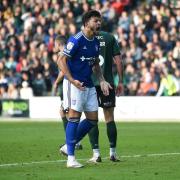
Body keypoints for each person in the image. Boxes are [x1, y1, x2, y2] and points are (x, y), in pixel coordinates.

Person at [57, 10, 111, 168]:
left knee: (93, 119)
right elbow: (61, 60)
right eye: (96, 21)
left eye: (100, 21)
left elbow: (95, 64)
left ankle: (68, 146)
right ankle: (71, 159)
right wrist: (72, 80)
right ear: (86, 22)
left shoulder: (95, 41)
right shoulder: (76, 39)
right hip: (76, 85)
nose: (99, 23)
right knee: (74, 117)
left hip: (88, 84)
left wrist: (101, 80)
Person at [88, 31, 124, 163]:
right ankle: (113, 153)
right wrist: (120, 81)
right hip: (108, 82)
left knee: (91, 119)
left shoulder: (85, 37)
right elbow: (118, 60)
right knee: (109, 118)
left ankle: (96, 154)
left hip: (90, 82)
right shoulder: (110, 37)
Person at [54, 35, 83, 150]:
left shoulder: (64, 54)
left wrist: (56, 82)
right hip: (66, 87)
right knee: (63, 112)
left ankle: (73, 142)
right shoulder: (68, 52)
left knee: (68, 113)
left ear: (58, 44)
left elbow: (63, 72)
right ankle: (72, 141)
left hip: (67, 87)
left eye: (55, 44)